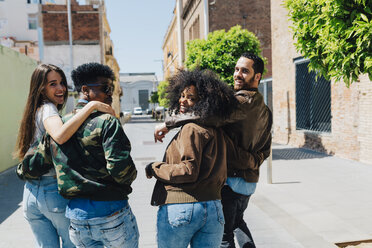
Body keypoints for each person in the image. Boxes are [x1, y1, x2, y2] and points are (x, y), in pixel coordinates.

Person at [154, 53, 273, 248]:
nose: (237, 74)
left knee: (224, 236)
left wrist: (168, 123)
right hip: (249, 182)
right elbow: (266, 148)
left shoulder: (240, 102)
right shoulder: (265, 109)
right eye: (236, 69)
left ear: (257, 77)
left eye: (245, 71)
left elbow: (208, 117)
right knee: (237, 223)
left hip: (231, 181)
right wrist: (252, 161)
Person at [14, 63, 115, 248]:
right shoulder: (48, 109)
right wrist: (91, 106)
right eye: (52, 84)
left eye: (61, 82)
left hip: (30, 194)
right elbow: (60, 135)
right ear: (41, 88)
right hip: (52, 191)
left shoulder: (34, 110)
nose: (60, 88)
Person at [50, 62, 139, 248]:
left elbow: (38, 163)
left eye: (111, 88)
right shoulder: (107, 121)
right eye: (106, 88)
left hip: (77, 217)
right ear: (85, 90)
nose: (110, 93)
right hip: (111, 211)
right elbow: (120, 169)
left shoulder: (59, 124)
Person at [145, 69, 237, 248]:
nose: (182, 100)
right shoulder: (218, 130)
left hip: (183, 206)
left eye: (191, 98)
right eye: (181, 95)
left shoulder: (191, 129)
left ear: (204, 102)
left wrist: (154, 168)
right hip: (214, 209)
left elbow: (188, 171)